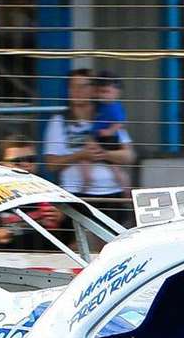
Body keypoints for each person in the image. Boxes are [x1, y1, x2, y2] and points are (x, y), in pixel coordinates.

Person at [42, 68, 137, 226]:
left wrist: (103, 154)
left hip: (111, 193)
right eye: (73, 86)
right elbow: (51, 164)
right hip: (74, 195)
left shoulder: (107, 117)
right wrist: (81, 155)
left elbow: (129, 156)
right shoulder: (59, 121)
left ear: (94, 90)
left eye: (83, 86)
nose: (77, 91)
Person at [90, 70, 127, 143]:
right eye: (99, 91)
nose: (102, 95)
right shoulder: (102, 104)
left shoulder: (115, 108)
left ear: (117, 93)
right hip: (98, 136)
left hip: (109, 138)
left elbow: (119, 123)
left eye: (106, 92)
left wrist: (109, 131)